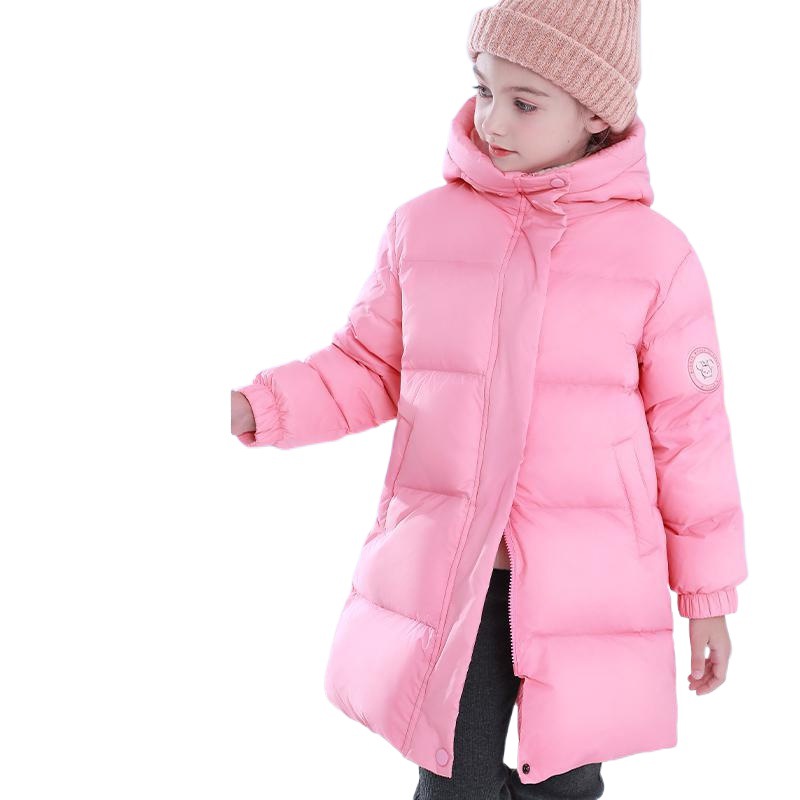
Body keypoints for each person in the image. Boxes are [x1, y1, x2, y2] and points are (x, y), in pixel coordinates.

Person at [231, 1, 748, 798]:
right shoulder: (424, 229)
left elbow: (691, 436)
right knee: (453, 781)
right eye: (483, 90)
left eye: (525, 102)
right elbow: (368, 366)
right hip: (455, 574)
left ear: (596, 114)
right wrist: (260, 406)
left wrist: (706, 595)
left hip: (590, 583)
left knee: (564, 786)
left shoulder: (656, 257)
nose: (492, 120)